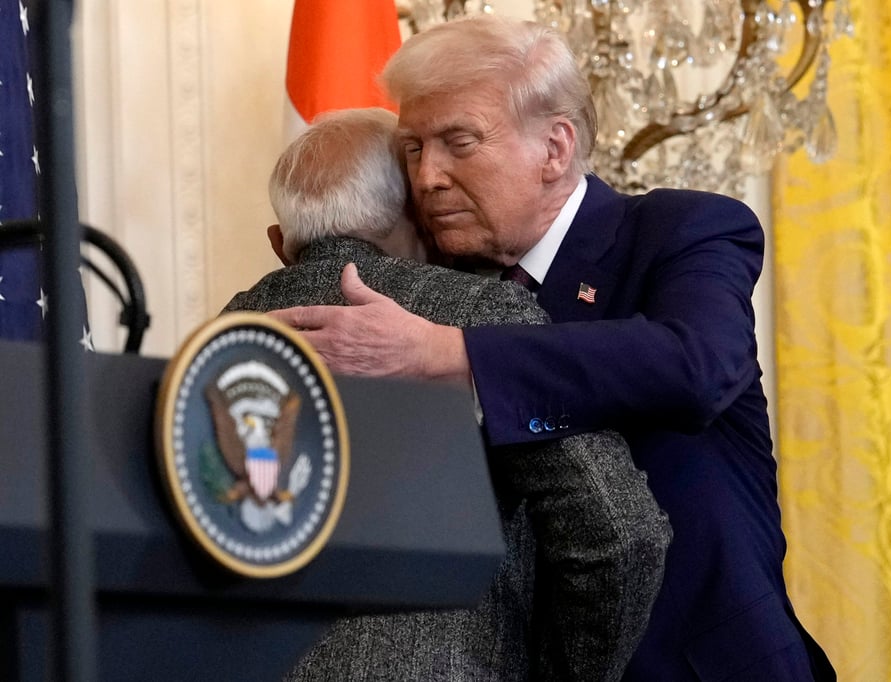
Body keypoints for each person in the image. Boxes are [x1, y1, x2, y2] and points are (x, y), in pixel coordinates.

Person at [267, 15, 836, 682]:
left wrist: (455, 356)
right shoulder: (436, 290)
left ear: (555, 148)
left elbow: (695, 365)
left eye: (459, 142)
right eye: (414, 149)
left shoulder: (681, 230)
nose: (427, 178)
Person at [223, 107, 671, 681]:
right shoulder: (479, 315)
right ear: (419, 212)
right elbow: (619, 530)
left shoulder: (212, 345)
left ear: (279, 242)